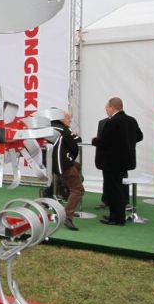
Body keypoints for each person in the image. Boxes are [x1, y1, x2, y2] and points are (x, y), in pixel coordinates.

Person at [92, 97, 143, 226]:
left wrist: (94, 141)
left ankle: (117, 218)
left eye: (107, 108)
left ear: (112, 107)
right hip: (125, 162)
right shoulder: (131, 120)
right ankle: (114, 215)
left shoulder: (112, 122)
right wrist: (127, 143)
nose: (106, 111)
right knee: (119, 189)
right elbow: (139, 136)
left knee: (114, 190)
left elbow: (104, 142)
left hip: (111, 163)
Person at [50, 110, 84, 231]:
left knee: (78, 168)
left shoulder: (50, 127)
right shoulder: (64, 129)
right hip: (63, 163)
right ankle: (67, 217)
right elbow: (77, 141)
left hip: (54, 163)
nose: (70, 120)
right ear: (61, 118)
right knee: (78, 189)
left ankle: (63, 190)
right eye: (68, 118)